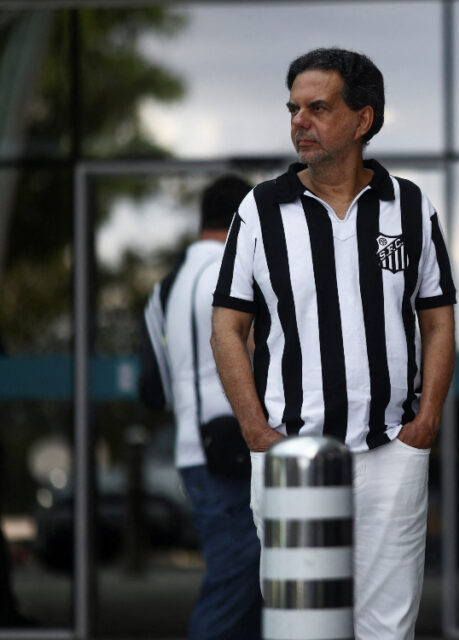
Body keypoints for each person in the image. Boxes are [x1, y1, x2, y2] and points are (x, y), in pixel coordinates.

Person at [210, 47, 456, 639]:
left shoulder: (411, 206)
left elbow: (439, 320)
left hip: (391, 455)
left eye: (318, 107)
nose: (300, 122)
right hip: (290, 454)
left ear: (362, 119)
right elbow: (228, 327)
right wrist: (257, 434)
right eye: (294, 109)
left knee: (387, 630)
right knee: (302, 630)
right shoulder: (261, 209)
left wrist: (424, 425)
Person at [138, 175, 261, 640]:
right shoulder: (237, 269)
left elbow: (154, 387)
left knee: (246, 581)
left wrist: (191, 403)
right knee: (236, 579)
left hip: (192, 448)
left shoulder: (165, 287)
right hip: (238, 446)